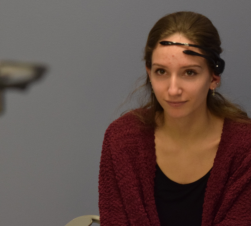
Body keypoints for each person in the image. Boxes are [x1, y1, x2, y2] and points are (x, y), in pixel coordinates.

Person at [98, 11, 251, 226]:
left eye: (189, 73)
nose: (172, 90)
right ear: (149, 73)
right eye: (161, 72)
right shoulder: (122, 139)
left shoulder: (245, 147)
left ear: (213, 77)